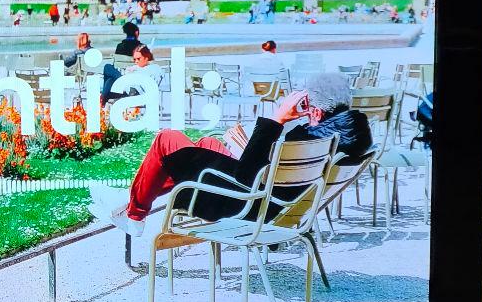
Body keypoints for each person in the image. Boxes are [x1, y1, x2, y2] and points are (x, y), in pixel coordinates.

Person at [117, 72, 372, 224]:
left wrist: (277, 119)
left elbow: (246, 176)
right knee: (207, 144)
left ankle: (134, 214)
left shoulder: (308, 141)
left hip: (246, 207)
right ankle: (137, 202)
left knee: (167, 139)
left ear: (315, 111)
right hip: (272, 203)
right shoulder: (346, 139)